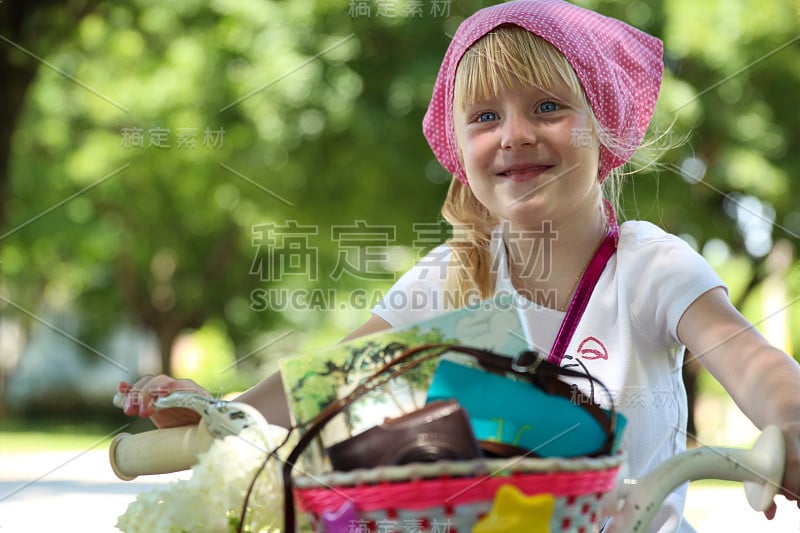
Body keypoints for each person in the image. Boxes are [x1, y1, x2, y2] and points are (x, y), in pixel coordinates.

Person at [118, 1, 800, 531]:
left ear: (606, 126)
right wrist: (218, 413)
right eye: (484, 115)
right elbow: (330, 385)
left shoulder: (647, 264)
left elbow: (750, 361)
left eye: (548, 106)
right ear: (460, 150)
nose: (516, 133)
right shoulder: (454, 272)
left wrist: (791, 422)